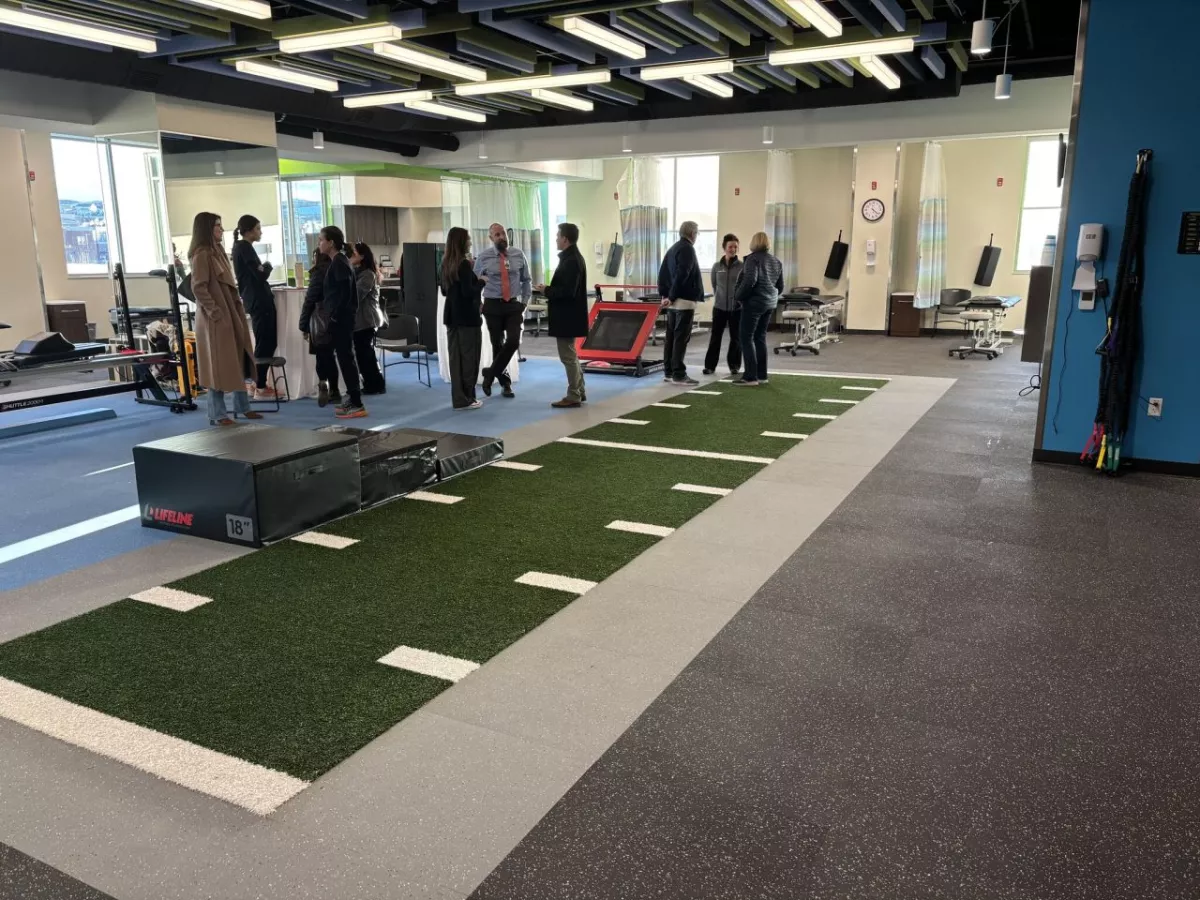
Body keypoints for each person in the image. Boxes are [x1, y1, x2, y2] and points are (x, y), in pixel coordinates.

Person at [188, 212, 262, 426]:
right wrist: (214, 311)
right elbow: (198, 287)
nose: (221, 229)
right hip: (216, 317)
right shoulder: (202, 254)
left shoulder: (217, 250)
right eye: (217, 226)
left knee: (237, 357)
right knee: (218, 364)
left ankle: (242, 406)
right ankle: (217, 413)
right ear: (207, 229)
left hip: (229, 311)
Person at [474, 222, 531, 399]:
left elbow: (526, 280)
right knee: (497, 344)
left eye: (503, 234)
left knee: (514, 341)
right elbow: (475, 283)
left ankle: (490, 374)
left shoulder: (518, 254)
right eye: (497, 235)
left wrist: (525, 302)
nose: (501, 237)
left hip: (514, 305)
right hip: (492, 305)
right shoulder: (483, 257)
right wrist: (478, 303)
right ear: (491, 238)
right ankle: (505, 384)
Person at [536, 222, 588, 409]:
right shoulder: (572, 258)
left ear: (565, 239)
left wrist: (546, 290)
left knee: (567, 356)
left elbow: (567, 291)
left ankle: (574, 394)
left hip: (567, 316)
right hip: (570, 315)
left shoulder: (571, 260)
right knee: (571, 355)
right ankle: (579, 390)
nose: (556, 239)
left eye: (558, 236)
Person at [318, 225, 367, 419]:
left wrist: (335, 317)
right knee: (343, 358)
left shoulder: (339, 262)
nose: (319, 243)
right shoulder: (338, 261)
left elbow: (344, 294)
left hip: (341, 320)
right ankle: (353, 399)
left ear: (330, 243)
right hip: (341, 318)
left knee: (346, 359)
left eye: (321, 239)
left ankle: (356, 402)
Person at [230, 215, 277, 399]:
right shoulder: (244, 247)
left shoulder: (242, 248)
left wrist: (263, 268)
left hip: (256, 300)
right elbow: (260, 275)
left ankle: (258, 383)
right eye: (258, 228)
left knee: (267, 341)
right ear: (248, 230)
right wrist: (267, 266)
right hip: (259, 301)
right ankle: (259, 385)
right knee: (266, 342)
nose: (260, 232)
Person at [441, 226, 485, 410]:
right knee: (469, 359)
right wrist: (481, 281)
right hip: (468, 318)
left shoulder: (445, 264)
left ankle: (459, 398)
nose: (470, 242)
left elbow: (444, 290)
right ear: (462, 241)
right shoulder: (464, 264)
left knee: (455, 360)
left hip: (452, 317)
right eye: (468, 239)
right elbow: (469, 292)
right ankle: (468, 397)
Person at [732, 231, 784, 387]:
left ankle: (750, 377)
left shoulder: (752, 259)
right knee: (760, 338)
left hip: (753, 304)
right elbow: (780, 287)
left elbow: (749, 281)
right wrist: (769, 296)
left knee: (746, 338)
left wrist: (738, 297)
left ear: (754, 243)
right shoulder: (776, 261)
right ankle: (762, 375)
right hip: (769, 304)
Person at [657, 220, 705, 386]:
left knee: (671, 337)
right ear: (692, 234)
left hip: (672, 302)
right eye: (697, 234)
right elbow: (682, 274)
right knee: (680, 338)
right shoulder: (688, 249)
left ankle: (669, 371)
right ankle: (679, 373)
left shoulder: (672, 249)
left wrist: (665, 295)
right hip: (683, 300)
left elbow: (663, 273)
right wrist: (671, 295)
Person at [299, 248, 338, 406]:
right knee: (331, 356)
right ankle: (334, 390)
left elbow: (310, 300)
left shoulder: (319, 273)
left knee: (322, 356)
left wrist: (303, 325)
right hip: (337, 319)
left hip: (320, 320)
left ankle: (324, 384)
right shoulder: (339, 268)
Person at [704, 233, 743, 377]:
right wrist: (720, 298)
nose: (733, 249)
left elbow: (744, 286)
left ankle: (734, 366)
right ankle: (709, 366)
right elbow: (715, 286)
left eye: (735, 247)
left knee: (736, 338)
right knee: (715, 337)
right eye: (730, 246)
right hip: (719, 308)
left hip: (737, 309)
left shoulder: (742, 266)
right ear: (724, 248)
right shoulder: (716, 266)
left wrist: (738, 301)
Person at [350, 241, 387, 395]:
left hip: (367, 320)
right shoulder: (357, 272)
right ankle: (372, 383)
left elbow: (356, 295)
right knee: (363, 353)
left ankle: (376, 384)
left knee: (365, 354)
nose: (350, 256)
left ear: (362, 256)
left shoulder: (367, 274)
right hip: (361, 320)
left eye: (353, 254)